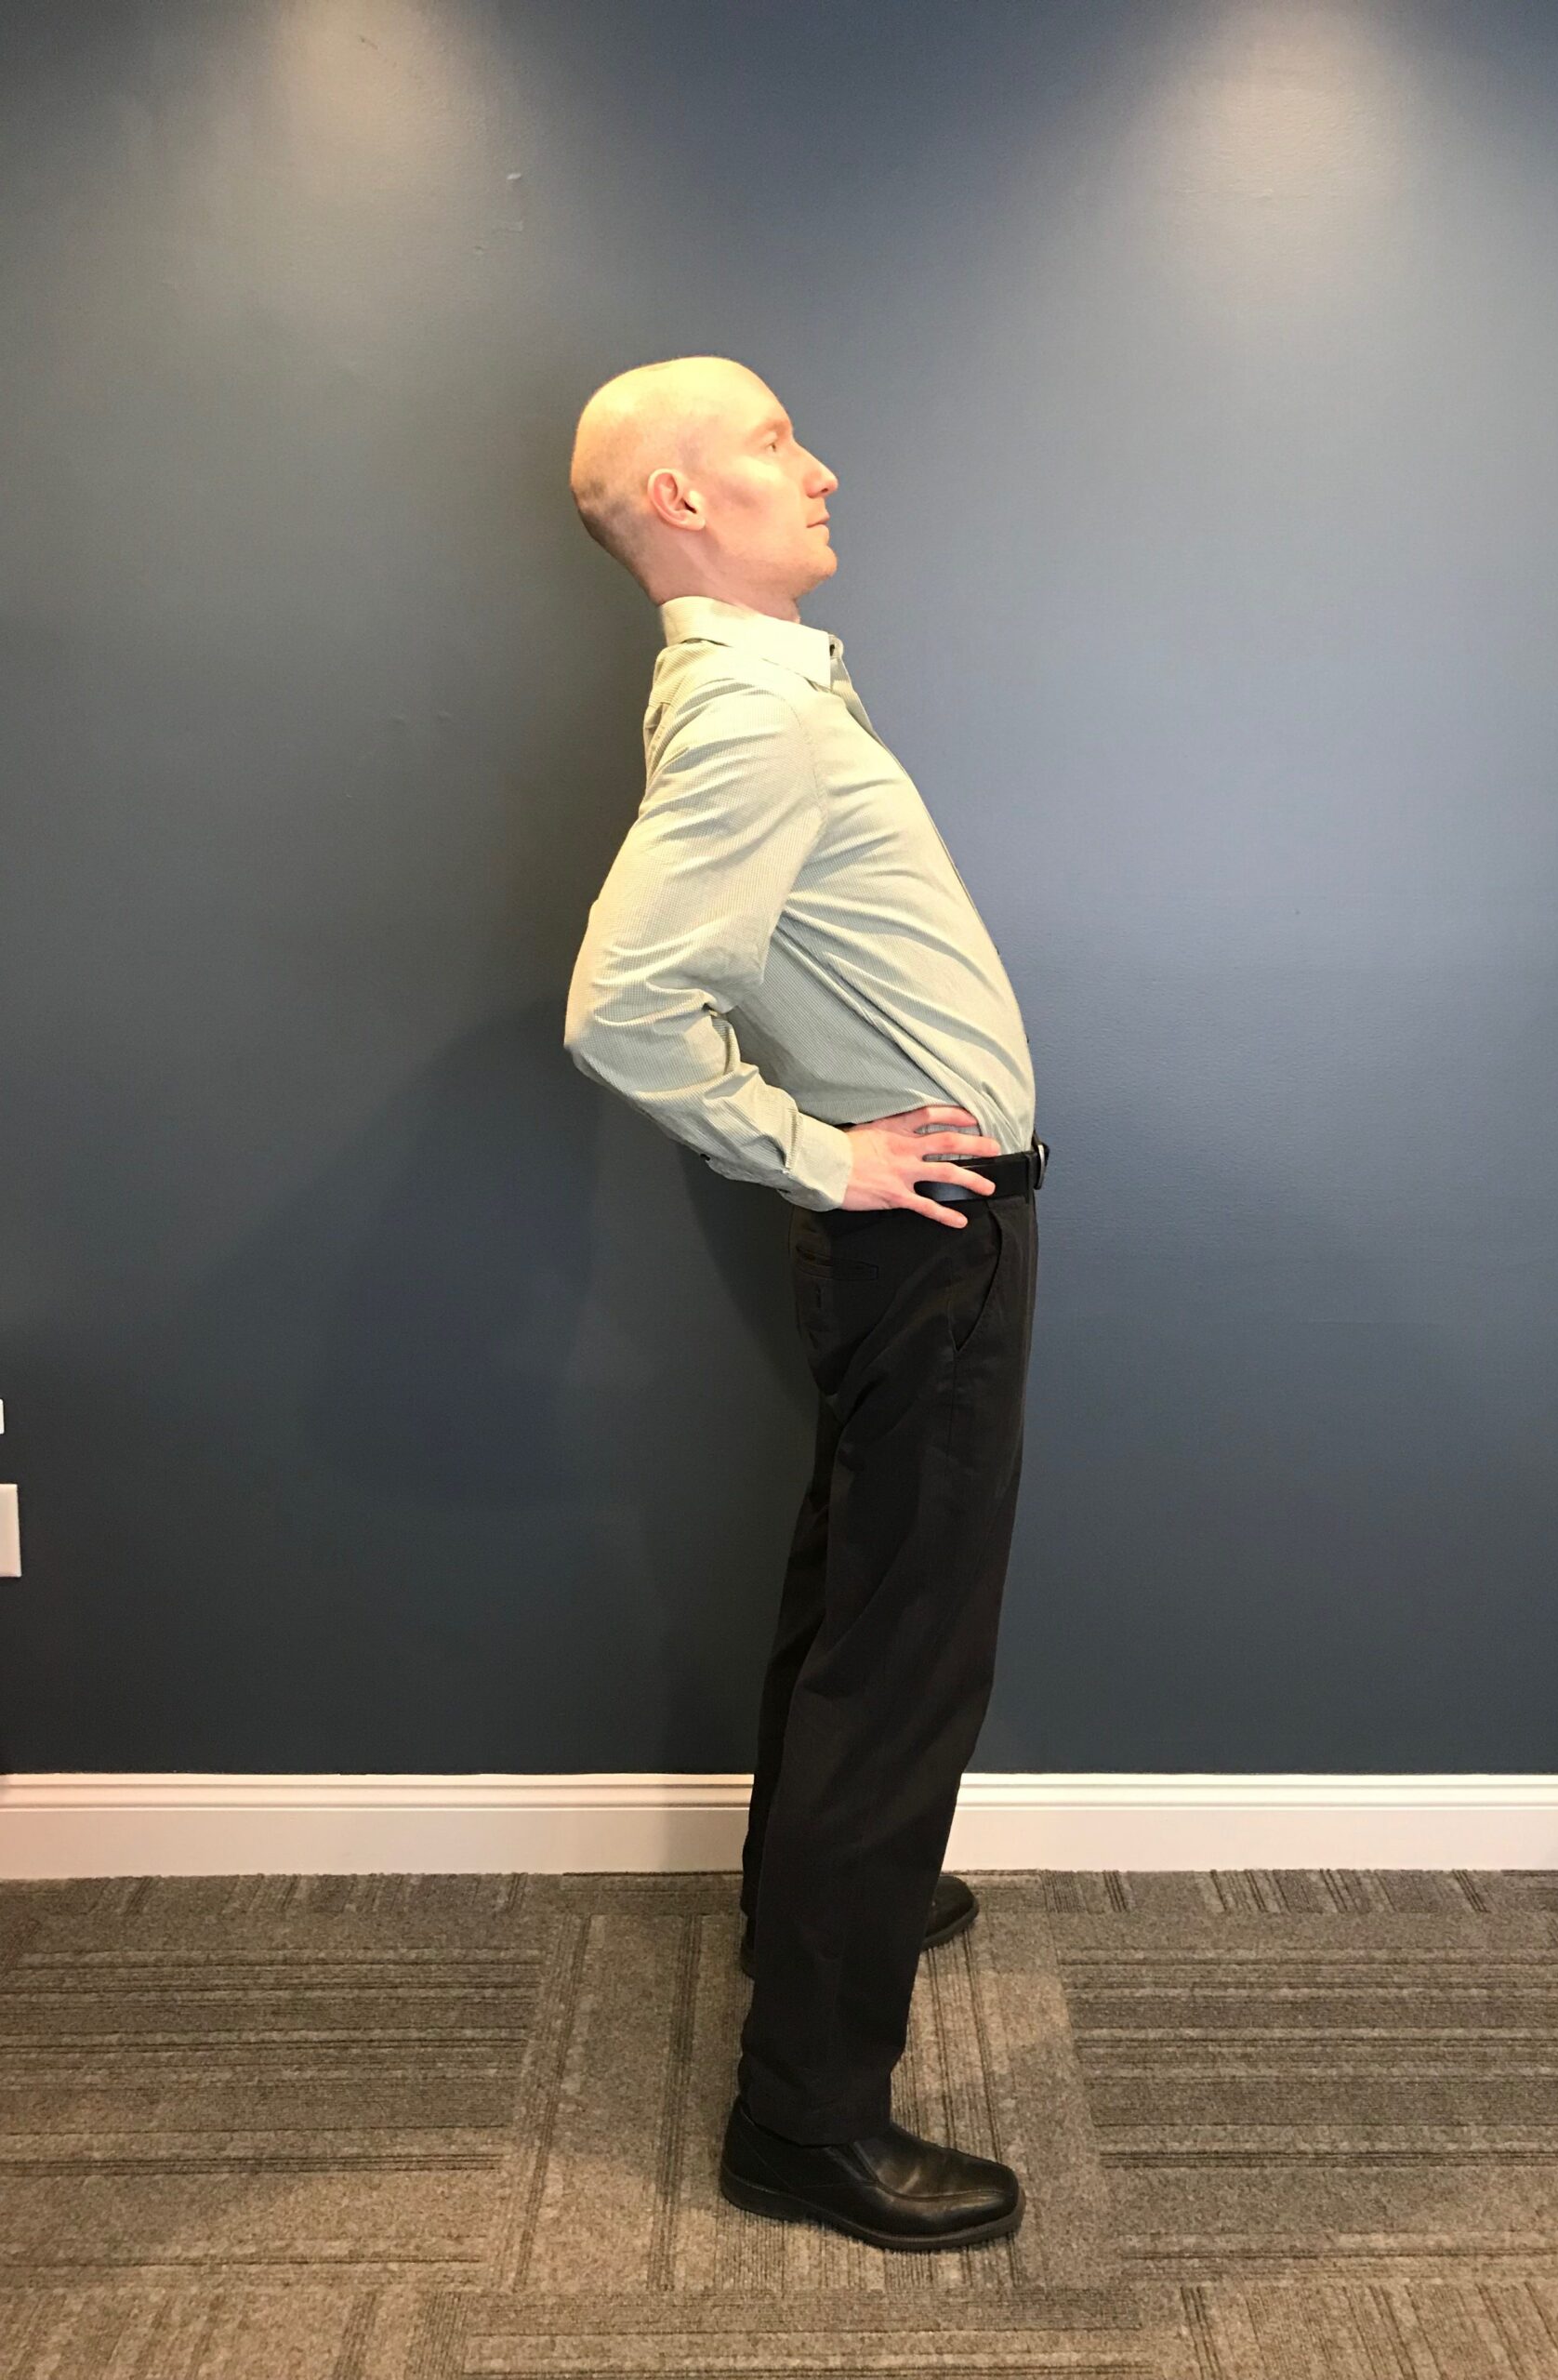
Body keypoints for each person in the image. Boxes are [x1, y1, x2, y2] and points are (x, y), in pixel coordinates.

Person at [562, 354, 1046, 2251]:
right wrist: (816, 1154)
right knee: (904, 1658)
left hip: (918, 1233)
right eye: (776, 439)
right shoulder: (756, 712)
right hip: (926, 1230)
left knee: (857, 1596)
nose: (820, 466)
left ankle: (814, 1903)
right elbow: (623, 1006)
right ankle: (809, 2122)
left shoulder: (757, 687)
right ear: (684, 498)